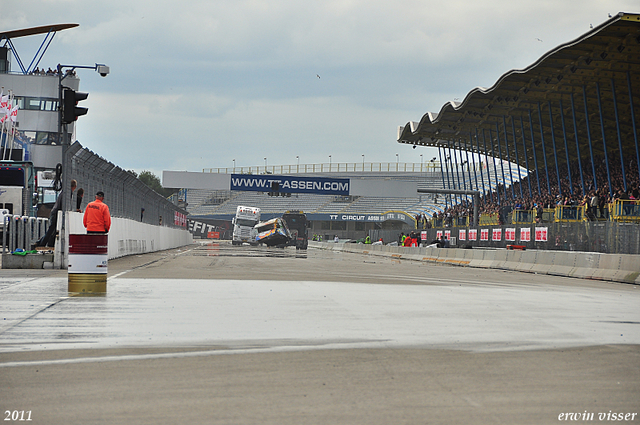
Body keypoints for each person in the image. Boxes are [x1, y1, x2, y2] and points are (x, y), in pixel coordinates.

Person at [36, 179, 77, 247]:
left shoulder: (64, 192)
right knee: (52, 229)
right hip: (57, 213)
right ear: (74, 187)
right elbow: (63, 205)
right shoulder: (68, 193)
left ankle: (45, 243)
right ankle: (42, 244)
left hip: (55, 212)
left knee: (53, 229)